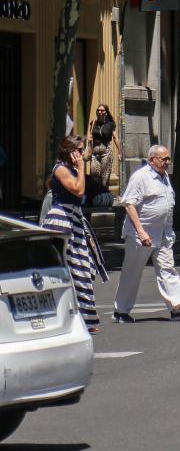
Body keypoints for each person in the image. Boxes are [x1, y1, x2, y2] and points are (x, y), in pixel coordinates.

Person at [113, 145, 180, 324]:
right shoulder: (140, 177)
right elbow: (129, 205)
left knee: (168, 269)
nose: (167, 162)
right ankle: (121, 311)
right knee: (132, 272)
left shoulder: (164, 176)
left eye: (168, 159)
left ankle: (177, 308)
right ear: (152, 160)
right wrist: (141, 232)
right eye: (163, 159)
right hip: (141, 235)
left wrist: (169, 231)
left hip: (163, 234)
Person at [41, 136, 108, 332]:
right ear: (69, 151)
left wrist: (79, 167)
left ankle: (83, 317)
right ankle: (78, 319)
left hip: (75, 221)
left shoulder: (72, 169)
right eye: (78, 149)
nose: (82, 153)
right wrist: (80, 168)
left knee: (84, 268)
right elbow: (78, 191)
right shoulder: (61, 169)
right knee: (70, 269)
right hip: (62, 221)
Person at [86, 103, 120, 188]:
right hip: (95, 151)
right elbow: (90, 135)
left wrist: (120, 151)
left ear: (106, 112)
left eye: (102, 110)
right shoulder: (93, 122)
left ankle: (103, 196)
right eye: (98, 110)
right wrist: (88, 139)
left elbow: (115, 138)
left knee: (105, 176)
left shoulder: (111, 124)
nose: (100, 112)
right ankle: (95, 196)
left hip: (106, 151)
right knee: (94, 174)